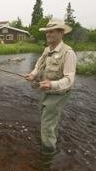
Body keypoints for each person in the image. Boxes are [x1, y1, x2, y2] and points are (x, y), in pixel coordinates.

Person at [25, 18, 77, 155]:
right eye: (47, 32)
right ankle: (52, 142)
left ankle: (48, 153)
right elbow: (39, 65)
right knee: (47, 119)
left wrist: (51, 84)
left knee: (47, 123)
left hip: (59, 94)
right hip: (45, 90)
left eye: (52, 31)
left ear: (61, 33)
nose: (48, 34)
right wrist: (32, 75)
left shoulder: (68, 53)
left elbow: (69, 79)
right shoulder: (47, 50)